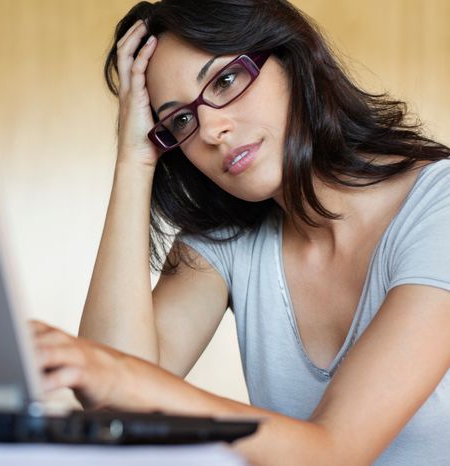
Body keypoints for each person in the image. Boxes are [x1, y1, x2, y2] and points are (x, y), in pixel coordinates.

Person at [30, 1, 450, 464]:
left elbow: (335, 452)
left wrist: (116, 377)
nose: (211, 129)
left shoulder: (438, 206)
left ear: (292, 60)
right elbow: (108, 398)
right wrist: (135, 157)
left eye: (225, 81)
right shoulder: (229, 239)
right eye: (181, 121)